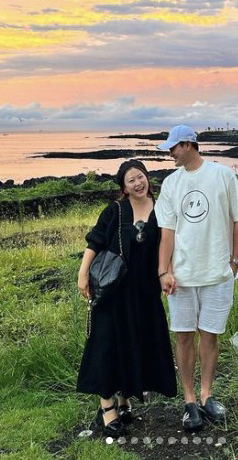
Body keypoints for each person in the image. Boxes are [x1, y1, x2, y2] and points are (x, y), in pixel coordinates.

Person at [155, 125, 238, 432]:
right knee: (183, 335)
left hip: (218, 273)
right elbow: (166, 230)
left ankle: (207, 395)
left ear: (188, 144)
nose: (169, 153)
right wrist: (163, 270)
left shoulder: (223, 176)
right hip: (182, 275)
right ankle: (190, 400)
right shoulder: (170, 183)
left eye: (173, 148)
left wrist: (235, 261)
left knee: (210, 335)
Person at [76, 160, 177, 437]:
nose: (138, 183)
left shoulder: (162, 210)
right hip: (114, 290)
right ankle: (106, 407)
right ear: (124, 186)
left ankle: (125, 399)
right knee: (108, 344)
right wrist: (83, 274)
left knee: (137, 343)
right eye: (131, 180)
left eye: (141, 177)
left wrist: (168, 274)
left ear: (148, 179)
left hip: (145, 292)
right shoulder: (115, 210)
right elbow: (94, 242)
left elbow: (170, 245)